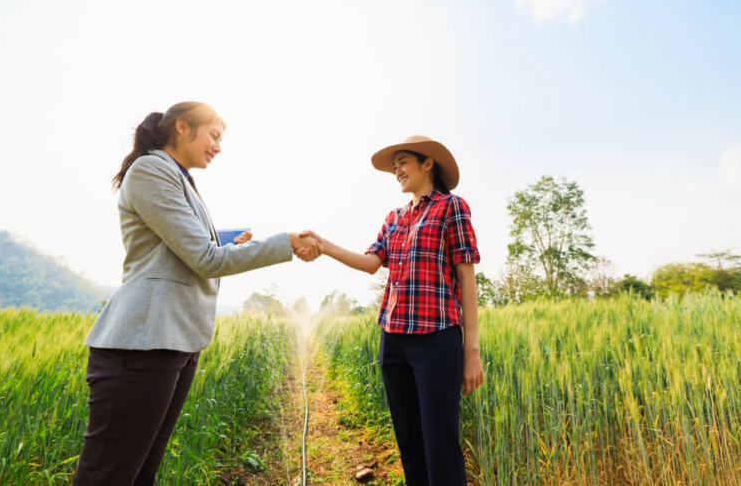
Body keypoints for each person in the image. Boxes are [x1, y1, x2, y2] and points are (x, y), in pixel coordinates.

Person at [72, 101, 319, 485]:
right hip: (141, 343)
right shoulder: (152, 169)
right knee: (108, 475)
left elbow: (184, 249)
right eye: (214, 136)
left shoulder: (179, 177)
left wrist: (226, 242)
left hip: (173, 342)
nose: (218, 147)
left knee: (141, 472)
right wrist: (282, 243)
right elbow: (205, 260)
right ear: (182, 128)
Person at [301, 135, 484, 486]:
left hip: (437, 340)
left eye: (403, 162)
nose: (397, 170)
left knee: (440, 445)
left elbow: (466, 275)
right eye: (395, 165)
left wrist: (471, 349)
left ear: (427, 163)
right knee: (410, 445)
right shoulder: (395, 217)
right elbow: (371, 262)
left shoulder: (451, 207)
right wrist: (324, 246)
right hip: (394, 340)